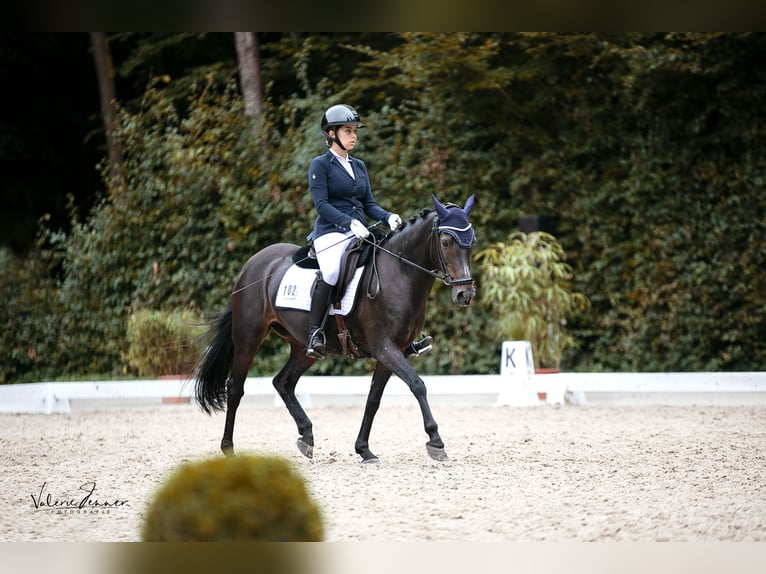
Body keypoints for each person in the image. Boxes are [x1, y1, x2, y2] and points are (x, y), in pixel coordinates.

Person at [305, 104, 432, 360]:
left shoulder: (359, 166)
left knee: (388, 263)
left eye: (355, 131)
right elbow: (322, 205)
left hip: (360, 231)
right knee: (330, 271)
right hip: (331, 233)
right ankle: (315, 332)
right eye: (348, 130)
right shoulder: (320, 165)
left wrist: (388, 217)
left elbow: (368, 204)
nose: (353, 136)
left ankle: (403, 337)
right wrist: (348, 223)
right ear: (331, 133)